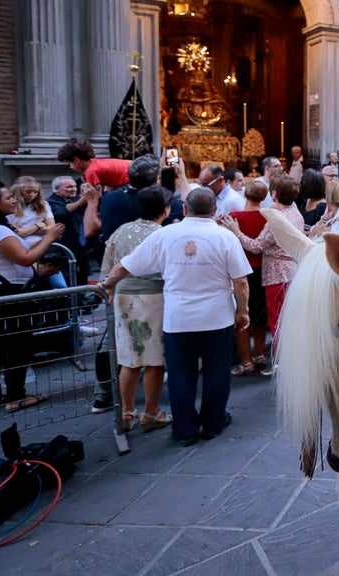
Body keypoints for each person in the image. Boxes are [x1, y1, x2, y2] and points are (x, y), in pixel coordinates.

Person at [100, 187, 251, 447]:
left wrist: (106, 284)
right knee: (216, 372)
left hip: (178, 318)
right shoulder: (225, 237)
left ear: (184, 209)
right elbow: (241, 281)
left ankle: (185, 429)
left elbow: (126, 265)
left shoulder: (166, 234)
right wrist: (242, 309)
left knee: (181, 374)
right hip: (216, 316)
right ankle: (214, 422)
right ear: (215, 211)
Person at [0, 180, 64, 412]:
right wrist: (49, 237)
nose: (13, 200)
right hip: (3, 295)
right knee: (17, 344)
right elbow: (25, 258)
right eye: (7, 197)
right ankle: (16, 396)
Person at [100, 185, 170, 432]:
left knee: (130, 358)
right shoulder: (163, 233)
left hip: (123, 294)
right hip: (153, 295)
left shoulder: (121, 230)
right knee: (154, 358)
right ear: (165, 209)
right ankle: (150, 413)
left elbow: (109, 262)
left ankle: (127, 411)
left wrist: (107, 288)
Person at [219, 175, 304, 366]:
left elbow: (257, 246)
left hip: (276, 273)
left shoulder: (276, 218)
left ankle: (281, 363)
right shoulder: (295, 213)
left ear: (274, 194)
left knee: (276, 320)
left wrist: (237, 231)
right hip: (292, 270)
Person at [228, 181, 271, 375]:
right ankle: (260, 353)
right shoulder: (268, 217)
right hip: (262, 269)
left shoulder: (234, 218)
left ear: (245, 195)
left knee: (242, 315)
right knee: (260, 316)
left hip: (241, 270)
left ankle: (246, 360)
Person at [7, 176, 65, 289]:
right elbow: (17, 233)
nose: (32, 195)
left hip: (46, 249)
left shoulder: (42, 205)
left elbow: (52, 228)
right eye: (28, 192)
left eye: (35, 192)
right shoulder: (11, 207)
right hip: (23, 249)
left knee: (60, 285)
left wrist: (27, 230)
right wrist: (39, 225)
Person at [47, 175, 89, 286]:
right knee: (68, 280)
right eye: (69, 187)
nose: (74, 189)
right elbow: (62, 213)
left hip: (82, 247)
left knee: (82, 278)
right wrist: (83, 199)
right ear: (57, 189)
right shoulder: (50, 202)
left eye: (75, 186)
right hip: (64, 248)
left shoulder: (77, 198)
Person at [56, 137, 131, 190]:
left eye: (69, 164)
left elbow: (92, 194)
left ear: (76, 160)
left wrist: (73, 206)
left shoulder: (91, 172)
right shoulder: (97, 163)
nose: (71, 167)